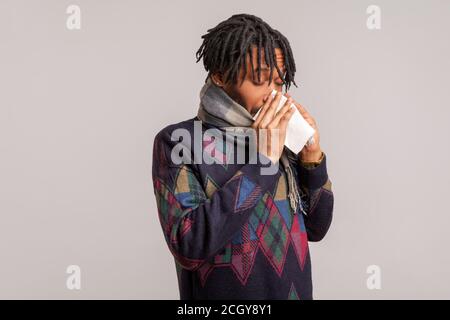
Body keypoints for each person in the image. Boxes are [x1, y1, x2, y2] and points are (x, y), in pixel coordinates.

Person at [152, 13, 334, 300]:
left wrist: (313, 156)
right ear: (220, 76)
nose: (273, 95)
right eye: (260, 80)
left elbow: (317, 227)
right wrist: (263, 163)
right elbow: (188, 245)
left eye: (279, 81)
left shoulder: (285, 140)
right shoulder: (179, 141)